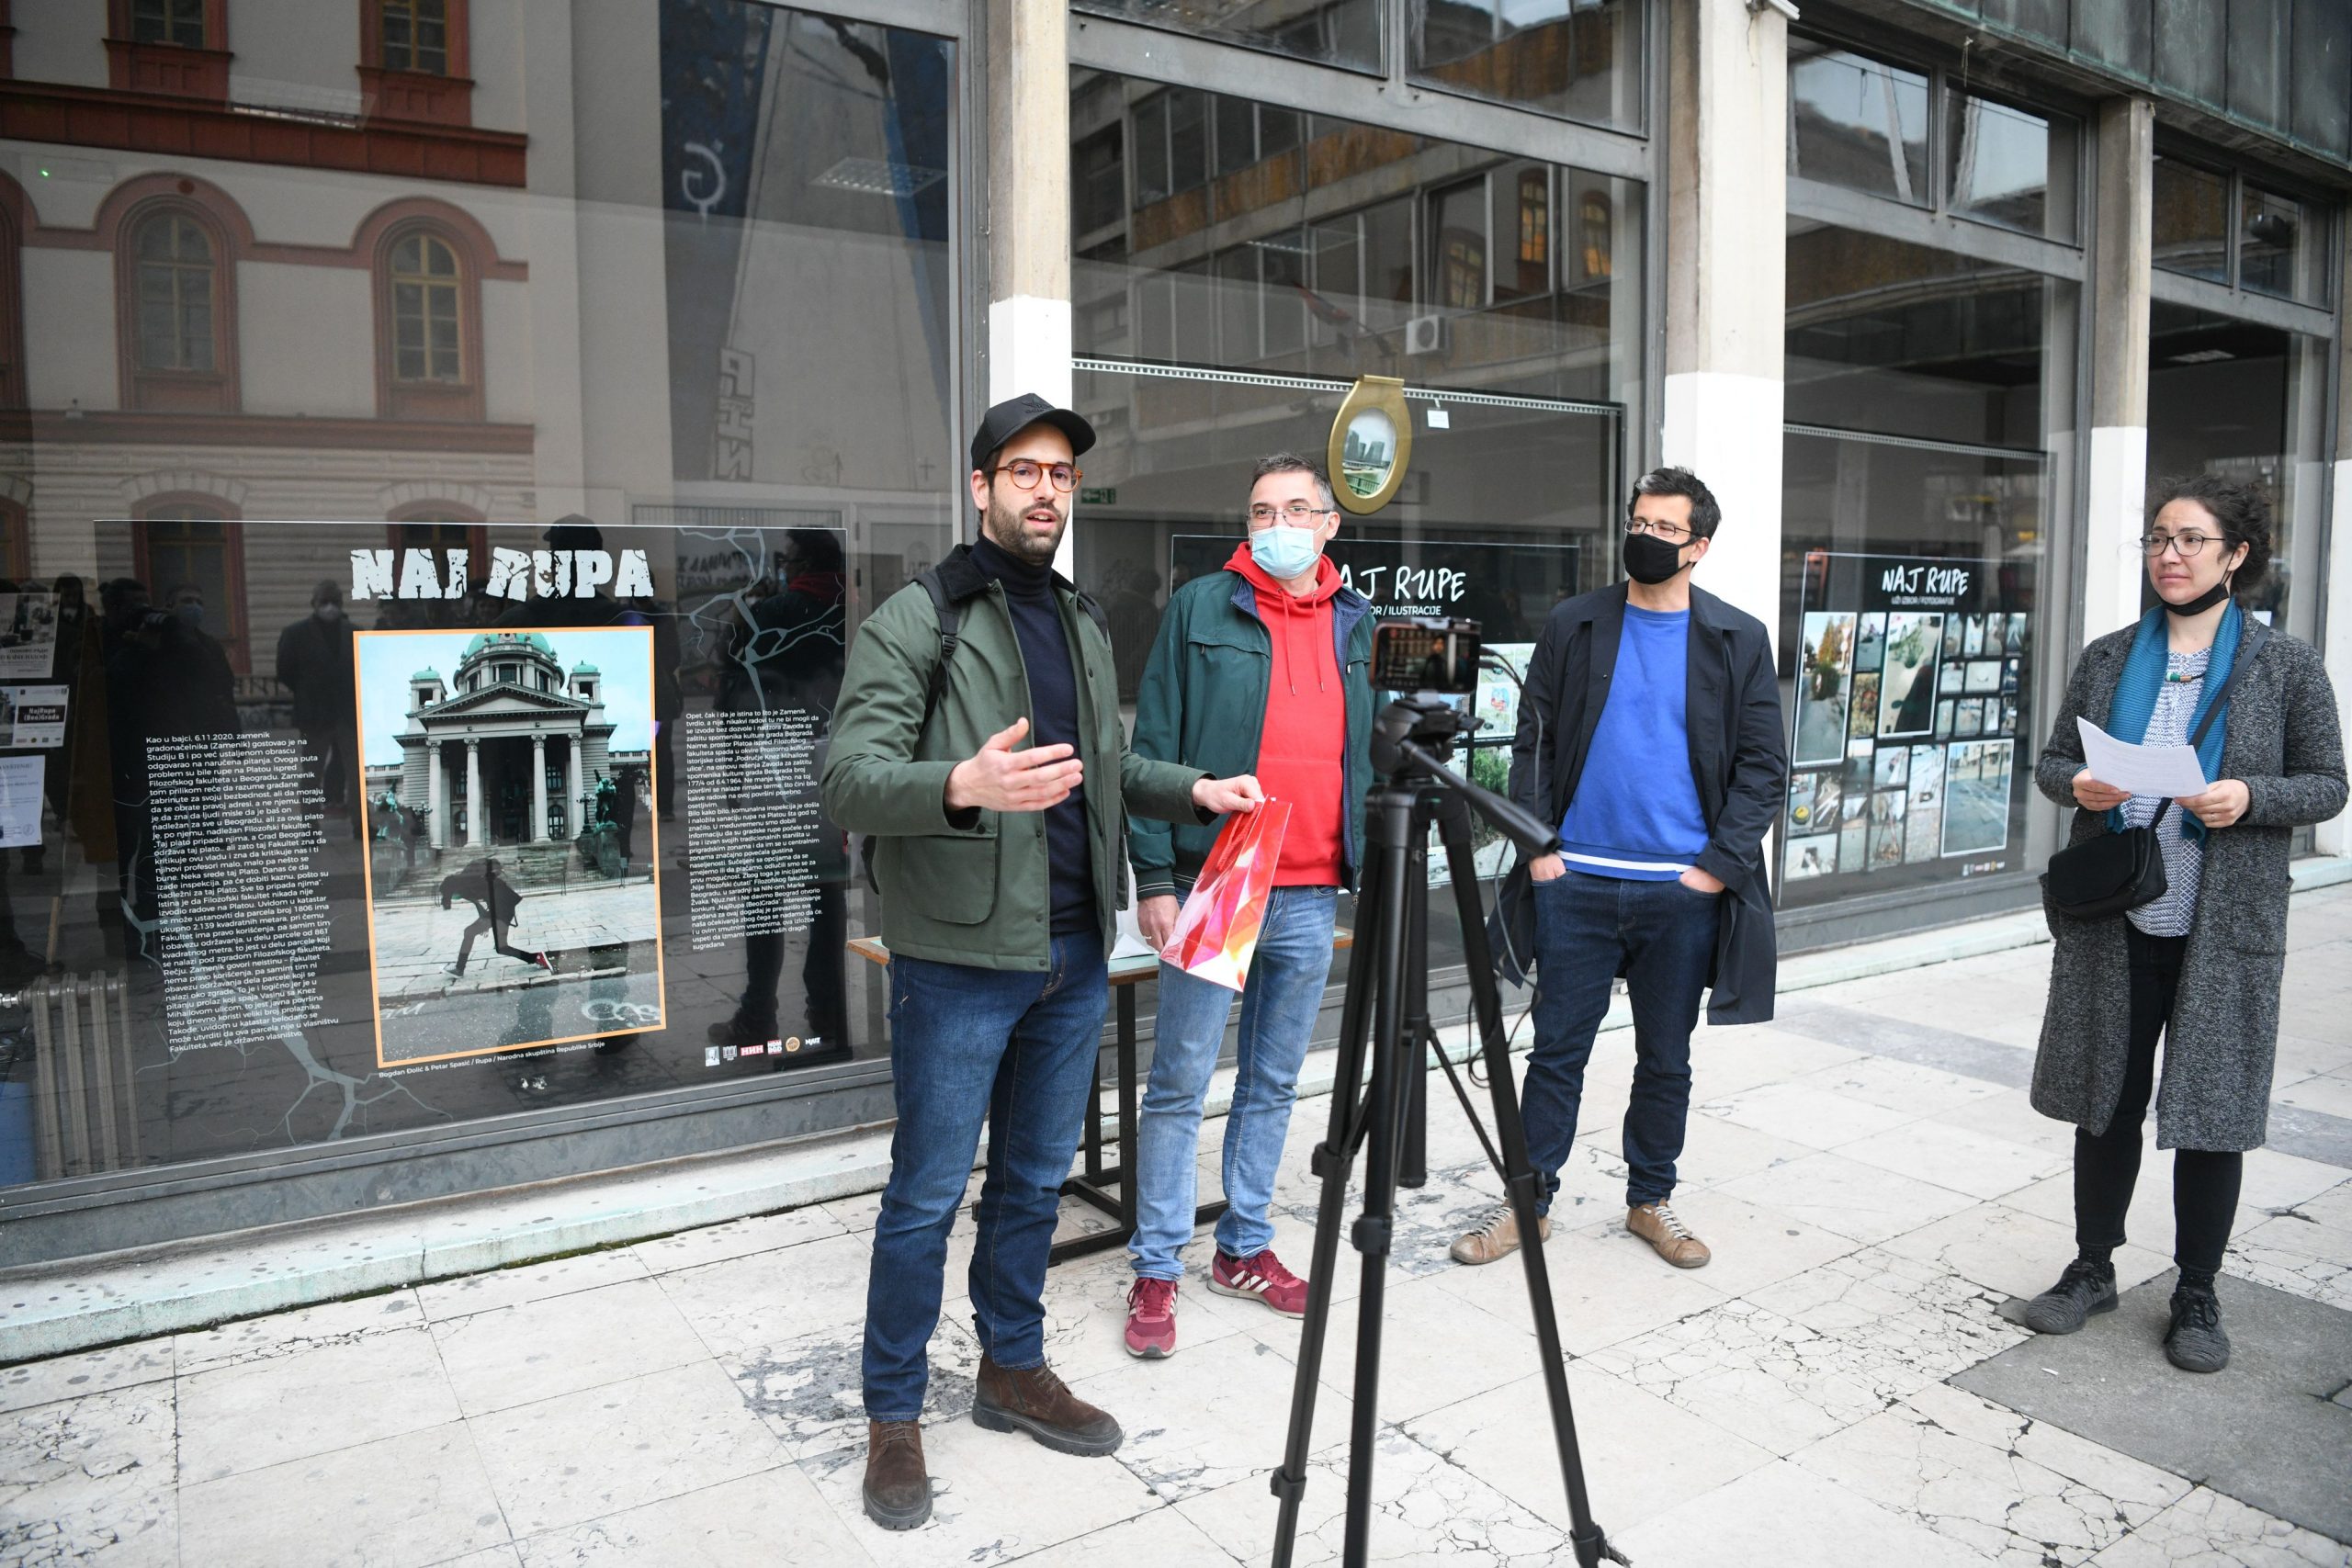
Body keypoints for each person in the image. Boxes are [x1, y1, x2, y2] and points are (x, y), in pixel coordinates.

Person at [821, 392, 1263, 1531]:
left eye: (1060, 474)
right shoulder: (919, 618)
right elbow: (848, 780)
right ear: (980, 487)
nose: (1044, 490)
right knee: (924, 1197)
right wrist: (959, 784)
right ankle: (893, 1413)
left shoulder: (1079, 617)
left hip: (1072, 953)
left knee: (1030, 1184)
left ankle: (1010, 1369)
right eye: (1023, 470)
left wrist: (1193, 789)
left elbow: (1102, 767)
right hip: (959, 961)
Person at [2022, 475, 2344, 1372]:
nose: (2169, 555)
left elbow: (2328, 783)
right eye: (2158, 538)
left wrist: (2250, 796)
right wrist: (2078, 785)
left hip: (2222, 926)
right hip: (2114, 919)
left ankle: (2197, 1292)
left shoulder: (2286, 665)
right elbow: (2053, 762)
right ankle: (2092, 1267)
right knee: (2106, 1102)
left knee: (2211, 1113)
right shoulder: (2109, 656)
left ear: (2235, 555)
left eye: (2191, 540)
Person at [1457, 468, 1784, 1272]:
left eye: (1665, 528)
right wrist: (1539, 850)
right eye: (1639, 522)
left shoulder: (1738, 638)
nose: (1646, 536)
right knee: (1556, 1051)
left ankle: (1651, 1198)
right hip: (1576, 882)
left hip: (1682, 889)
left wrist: (1714, 870)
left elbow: (1762, 768)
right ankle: (1528, 1201)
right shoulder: (1575, 624)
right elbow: (1531, 742)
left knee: (1665, 1056)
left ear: (1699, 546)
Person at [1121, 452, 1374, 1358]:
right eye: (1263, 510)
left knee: (1272, 1079)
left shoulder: (1356, 619)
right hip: (1220, 878)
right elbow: (1152, 746)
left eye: (1297, 509)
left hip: (1309, 887)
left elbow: (1364, 753)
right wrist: (1156, 877)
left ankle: (1242, 1247)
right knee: (1180, 1082)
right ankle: (1157, 1265)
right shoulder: (1201, 607)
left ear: (1329, 525)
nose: (1278, 525)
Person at [276, 581, 359, 831]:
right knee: (312, 773)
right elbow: (285, 672)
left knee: (356, 773)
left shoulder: (354, 632)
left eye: (335, 601)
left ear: (342, 603)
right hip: (314, 715)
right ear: (314, 603)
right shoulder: (295, 634)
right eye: (324, 601)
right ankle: (310, 824)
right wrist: (308, 692)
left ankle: (361, 824)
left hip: (348, 713)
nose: (330, 607)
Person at [439, 856, 550, 977]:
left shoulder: (467, 883)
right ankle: (537, 958)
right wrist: (484, 921)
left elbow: (488, 894)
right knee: (500, 947)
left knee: (471, 933)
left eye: (451, 896)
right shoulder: (467, 883)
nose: (454, 898)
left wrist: (484, 921)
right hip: (501, 908)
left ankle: (459, 969)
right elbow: (480, 903)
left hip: (501, 909)